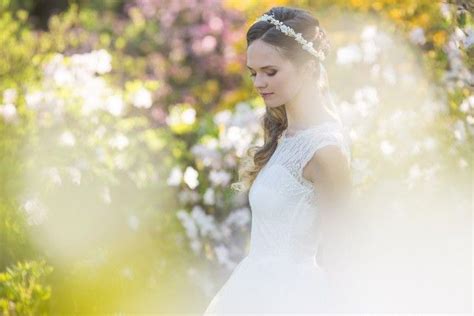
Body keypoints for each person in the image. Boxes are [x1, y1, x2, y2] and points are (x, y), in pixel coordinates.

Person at [203, 6, 354, 314]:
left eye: (270, 72)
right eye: (254, 73)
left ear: (309, 68)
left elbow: (343, 251)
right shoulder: (285, 135)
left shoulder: (325, 150)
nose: (259, 83)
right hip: (253, 288)